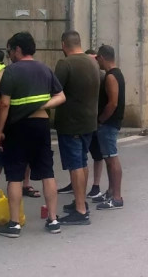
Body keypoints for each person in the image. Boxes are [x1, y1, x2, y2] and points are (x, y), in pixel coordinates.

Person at [0, 32, 66, 237]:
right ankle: (53, 220)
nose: (9, 55)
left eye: (9, 50)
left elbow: (4, 104)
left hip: (17, 127)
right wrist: (43, 105)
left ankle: (14, 224)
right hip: (41, 125)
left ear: (18, 49)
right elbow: (61, 96)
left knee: (15, 175)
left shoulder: (11, 71)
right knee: (47, 171)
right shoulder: (45, 69)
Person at [54, 30, 101, 225]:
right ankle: (80, 202)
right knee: (82, 162)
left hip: (71, 123)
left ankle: (80, 211)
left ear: (64, 44)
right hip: (89, 122)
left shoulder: (65, 64)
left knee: (75, 166)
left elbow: (54, 89)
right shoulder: (93, 62)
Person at [61, 49, 106, 199]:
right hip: (88, 123)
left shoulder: (101, 73)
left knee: (81, 162)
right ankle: (78, 195)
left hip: (83, 123)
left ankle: (83, 202)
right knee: (80, 161)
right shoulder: (92, 69)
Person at [91, 45, 126, 210]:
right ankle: (111, 191)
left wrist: (101, 120)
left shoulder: (111, 77)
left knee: (112, 159)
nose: (97, 61)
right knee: (108, 158)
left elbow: (113, 103)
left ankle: (117, 197)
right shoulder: (116, 74)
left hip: (109, 124)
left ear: (103, 58)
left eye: (98, 58)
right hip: (109, 124)